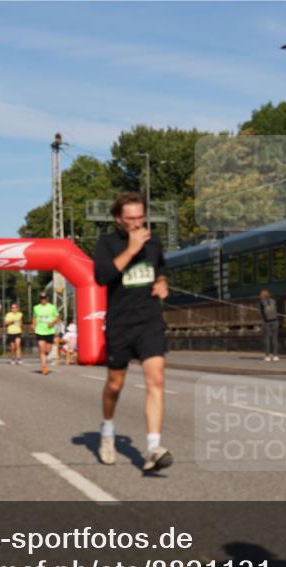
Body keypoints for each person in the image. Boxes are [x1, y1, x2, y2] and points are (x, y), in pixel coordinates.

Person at [93, 191, 173, 472]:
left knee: (157, 380)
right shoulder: (107, 243)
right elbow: (102, 277)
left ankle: (153, 448)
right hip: (120, 323)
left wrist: (162, 283)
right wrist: (130, 249)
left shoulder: (154, 241)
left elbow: (160, 269)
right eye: (131, 219)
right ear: (119, 219)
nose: (137, 224)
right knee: (115, 384)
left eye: (141, 217)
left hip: (149, 320)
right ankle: (107, 430)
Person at [32, 293, 59, 376]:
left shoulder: (52, 307)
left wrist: (52, 322)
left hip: (49, 331)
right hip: (39, 331)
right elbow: (34, 317)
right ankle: (44, 367)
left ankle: (44, 358)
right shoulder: (36, 308)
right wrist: (33, 325)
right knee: (41, 347)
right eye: (41, 298)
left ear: (47, 298)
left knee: (47, 350)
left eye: (44, 298)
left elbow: (57, 317)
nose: (43, 300)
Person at [259, 289, 280, 362]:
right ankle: (275, 356)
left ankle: (267, 356)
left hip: (267, 322)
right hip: (275, 321)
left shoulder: (261, 302)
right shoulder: (273, 301)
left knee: (267, 339)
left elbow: (261, 313)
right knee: (275, 338)